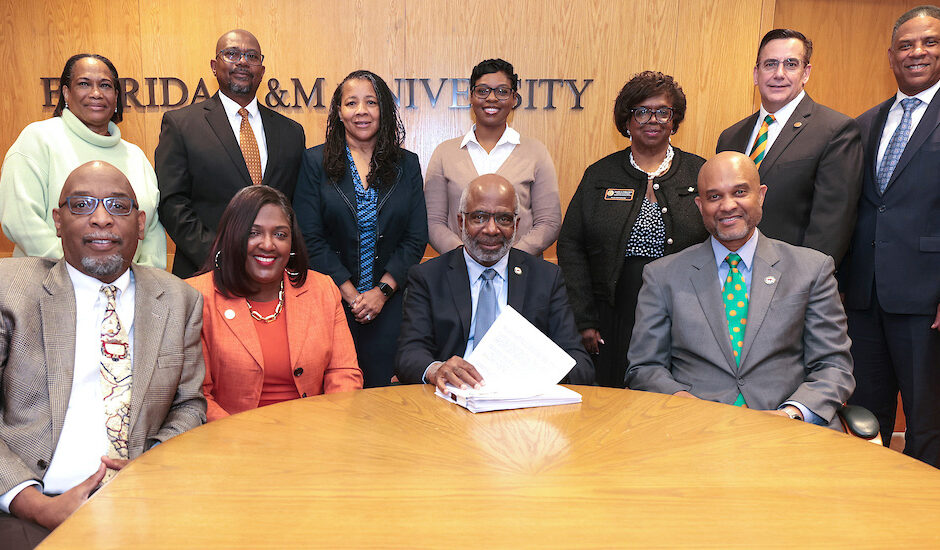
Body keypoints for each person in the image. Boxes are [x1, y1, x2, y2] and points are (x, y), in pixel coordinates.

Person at [0, 161, 206, 549]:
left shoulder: (180, 299)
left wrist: (151, 467)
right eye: (81, 205)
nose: (101, 219)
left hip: (143, 503)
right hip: (25, 508)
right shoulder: (9, 289)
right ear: (58, 221)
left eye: (117, 206)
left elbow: (189, 405)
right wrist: (29, 503)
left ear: (141, 224)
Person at [626, 152, 854, 429]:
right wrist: (684, 403)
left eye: (740, 192)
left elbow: (833, 366)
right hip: (693, 428)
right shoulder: (662, 275)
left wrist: (791, 413)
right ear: (700, 206)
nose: (727, 206)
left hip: (788, 428)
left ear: (761, 195)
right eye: (714, 197)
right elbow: (645, 368)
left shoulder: (811, 268)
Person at [558, 71, 708, 388]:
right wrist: (584, 318)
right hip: (614, 310)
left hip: (684, 311)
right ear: (627, 120)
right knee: (614, 396)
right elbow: (571, 246)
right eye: (641, 111)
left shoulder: (700, 172)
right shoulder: (600, 174)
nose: (652, 120)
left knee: (674, 395)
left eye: (662, 111)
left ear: (674, 119)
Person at [840, 5, 940, 466]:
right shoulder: (865, 123)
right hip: (863, 300)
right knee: (863, 419)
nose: (916, 52)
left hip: (926, 301)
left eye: (929, 42)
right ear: (890, 56)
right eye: (906, 44)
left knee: (928, 422)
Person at [396, 174, 593, 391]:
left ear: (516, 224)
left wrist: (537, 373)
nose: (492, 229)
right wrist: (437, 369)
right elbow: (409, 353)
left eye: (504, 219)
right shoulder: (428, 277)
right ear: (461, 221)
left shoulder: (546, 277)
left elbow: (579, 362)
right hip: (452, 397)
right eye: (479, 217)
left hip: (522, 404)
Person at [293, 70, 427, 388]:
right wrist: (353, 296)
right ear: (339, 113)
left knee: (387, 400)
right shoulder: (315, 163)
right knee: (337, 398)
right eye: (351, 103)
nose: (361, 111)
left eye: (371, 102)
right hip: (331, 302)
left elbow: (415, 237)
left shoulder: (406, 164)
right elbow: (309, 237)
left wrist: (380, 293)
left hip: (392, 305)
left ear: (384, 110)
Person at [188, 187, 362, 420]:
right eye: (253, 233)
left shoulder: (322, 289)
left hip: (313, 435)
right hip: (231, 443)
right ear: (232, 237)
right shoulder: (196, 297)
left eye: (280, 234)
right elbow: (198, 396)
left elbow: (343, 373)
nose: (268, 245)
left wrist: (326, 427)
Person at [156, 29, 306, 278]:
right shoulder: (181, 124)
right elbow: (173, 203)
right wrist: (220, 257)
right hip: (206, 272)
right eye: (232, 54)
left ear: (262, 69)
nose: (243, 62)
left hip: (275, 274)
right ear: (214, 66)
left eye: (251, 56)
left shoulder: (291, 132)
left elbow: (297, 206)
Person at [0, 53, 166, 268]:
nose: (96, 93)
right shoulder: (38, 139)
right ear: (66, 93)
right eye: (84, 84)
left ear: (116, 97)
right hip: (50, 283)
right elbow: (20, 220)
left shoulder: (135, 156)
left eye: (105, 86)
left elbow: (150, 229)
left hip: (127, 291)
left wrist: (143, 279)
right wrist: (81, 274)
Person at [716, 29, 863, 265]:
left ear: (806, 73)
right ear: (756, 74)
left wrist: (804, 285)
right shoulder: (730, 137)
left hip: (793, 281)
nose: (779, 74)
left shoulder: (836, 131)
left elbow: (832, 224)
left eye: (791, 64)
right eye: (770, 64)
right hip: (731, 273)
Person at [425, 58, 562, 256]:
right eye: (482, 90)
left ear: (514, 98)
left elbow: (549, 222)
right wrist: (463, 257)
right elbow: (433, 221)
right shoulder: (444, 153)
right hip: (457, 273)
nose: (491, 98)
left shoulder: (536, 152)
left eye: (502, 91)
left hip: (521, 272)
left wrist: (511, 258)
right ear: (471, 96)